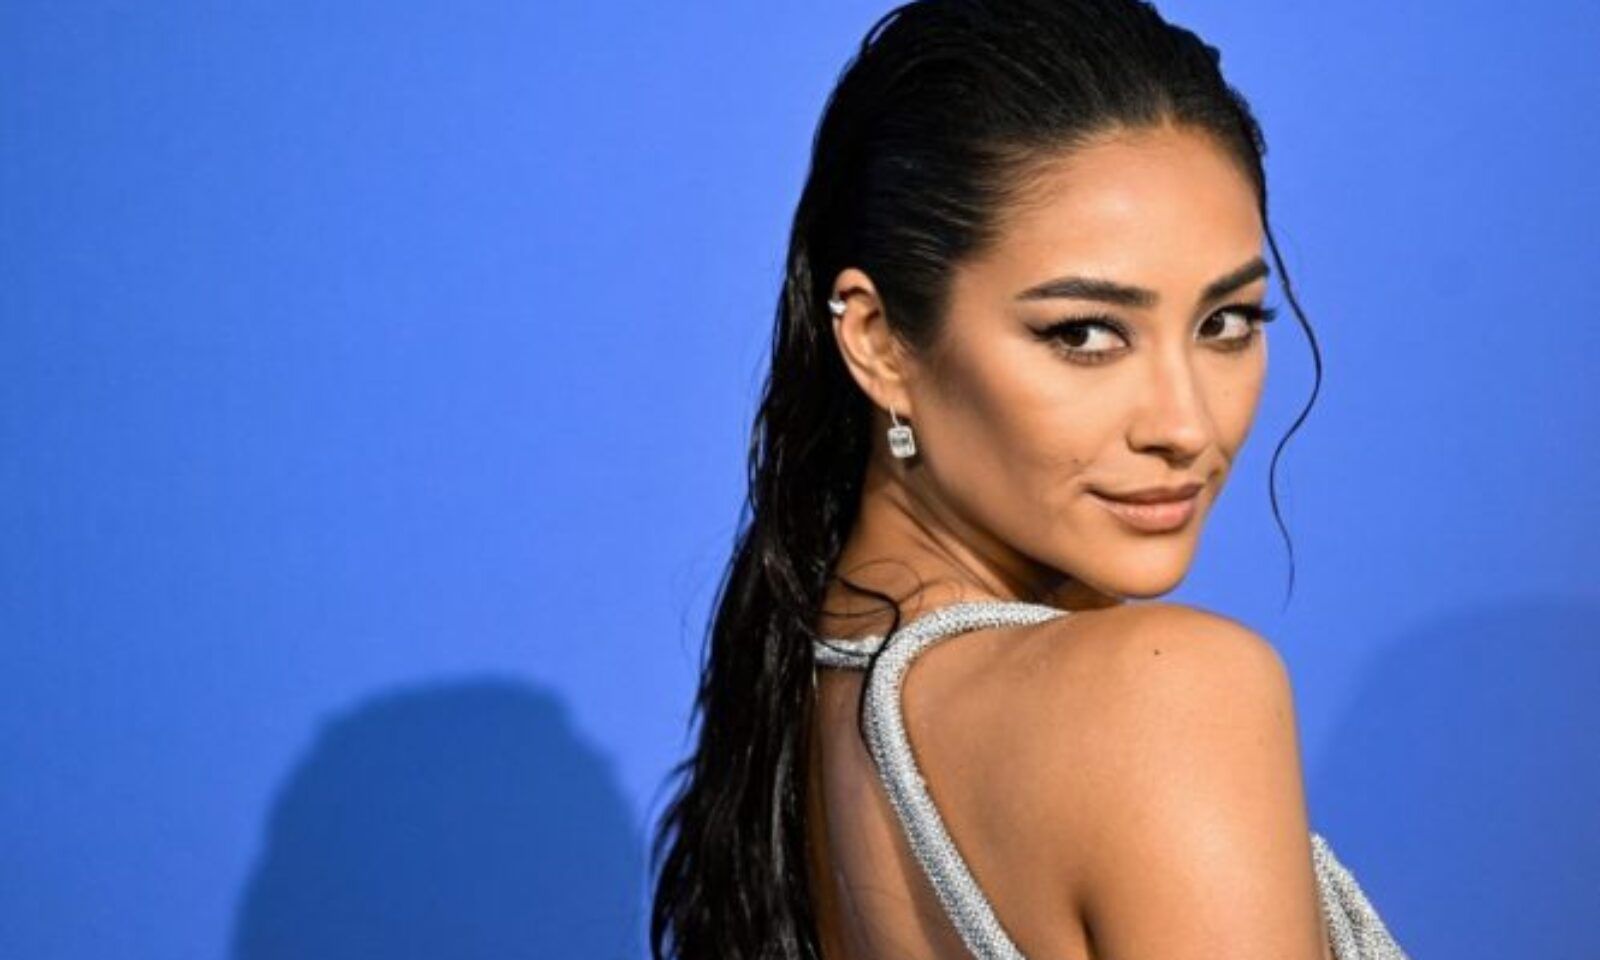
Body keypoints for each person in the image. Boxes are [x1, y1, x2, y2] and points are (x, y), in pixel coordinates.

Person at [650, 1, 1410, 957]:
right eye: (1083, 333)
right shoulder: (1162, 696)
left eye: (1226, 323)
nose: (1185, 425)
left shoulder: (806, 699)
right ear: (879, 342)